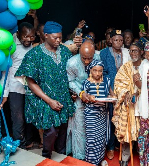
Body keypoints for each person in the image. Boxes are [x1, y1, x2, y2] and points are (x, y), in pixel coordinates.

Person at [15, 21, 75, 158]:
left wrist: (73, 92)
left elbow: (72, 73)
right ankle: (46, 156)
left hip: (63, 96)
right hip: (45, 98)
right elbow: (30, 82)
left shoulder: (65, 52)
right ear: (46, 35)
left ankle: (61, 156)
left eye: (60, 37)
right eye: (55, 38)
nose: (59, 40)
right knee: (51, 130)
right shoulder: (35, 54)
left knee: (63, 130)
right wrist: (49, 101)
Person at [0, 22, 37, 149]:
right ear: (18, 34)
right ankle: (19, 146)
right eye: (26, 36)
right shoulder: (11, 46)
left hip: (29, 87)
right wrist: (4, 94)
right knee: (18, 119)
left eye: (32, 37)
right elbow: (5, 71)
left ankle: (29, 142)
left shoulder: (32, 46)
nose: (29, 39)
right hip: (15, 88)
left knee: (29, 117)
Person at [112, 40, 145, 166]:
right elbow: (118, 83)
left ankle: (142, 154)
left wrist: (138, 92)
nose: (132, 53)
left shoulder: (146, 66)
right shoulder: (125, 66)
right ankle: (126, 155)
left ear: (141, 52)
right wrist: (125, 93)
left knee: (143, 131)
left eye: (135, 50)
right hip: (129, 105)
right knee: (127, 130)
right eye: (131, 50)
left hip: (143, 105)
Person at [66, 41, 100, 160]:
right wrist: (81, 93)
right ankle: (80, 157)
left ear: (94, 54)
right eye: (83, 58)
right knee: (80, 128)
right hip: (80, 98)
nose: (86, 62)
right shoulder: (72, 63)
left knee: (93, 128)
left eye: (89, 58)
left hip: (95, 98)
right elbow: (70, 81)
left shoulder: (98, 58)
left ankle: (93, 155)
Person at [100, 29, 131, 159]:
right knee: (111, 119)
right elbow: (104, 74)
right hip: (110, 91)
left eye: (121, 40)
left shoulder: (127, 53)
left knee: (123, 118)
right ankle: (111, 147)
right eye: (116, 40)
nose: (119, 42)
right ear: (111, 40)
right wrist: (111, 92)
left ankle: (121, 145)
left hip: (124, 91)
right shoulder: (104, 53)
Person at [82, 60, 114, 166]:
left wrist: (111, 98)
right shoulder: (86, 82)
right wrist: (89, 98)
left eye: (100, 71)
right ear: (90, 70)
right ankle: (91, 162)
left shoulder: (106, 80)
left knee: (101, 139)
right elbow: (83, 98)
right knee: (92, 139)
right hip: (91, 114)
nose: (97, 73)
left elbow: (112, 95)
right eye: (94, 70)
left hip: (103, 114)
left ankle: (99, 160)